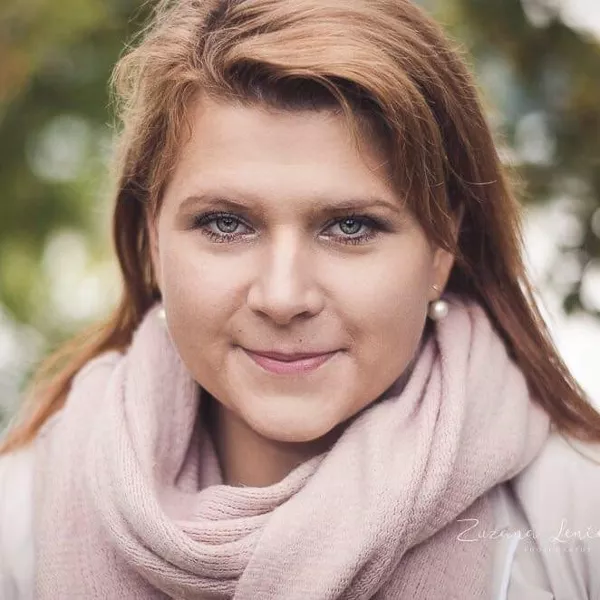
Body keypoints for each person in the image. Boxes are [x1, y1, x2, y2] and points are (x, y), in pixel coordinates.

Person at [1, 0, 600, 598]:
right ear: (152, 239)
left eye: (350, 227)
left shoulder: (576, 519)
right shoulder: (19, 524)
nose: (283, 298)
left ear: (443, 248)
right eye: (226, 223)